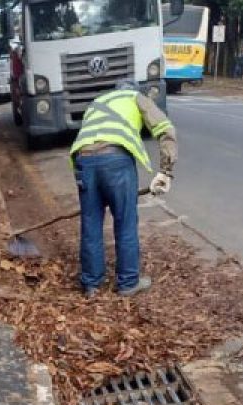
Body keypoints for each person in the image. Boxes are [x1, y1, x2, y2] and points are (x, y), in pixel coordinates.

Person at [69, 81, 177, 298]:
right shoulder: (136, 97)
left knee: (91, 224)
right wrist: (166, 171)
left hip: (84, 161)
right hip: (115, 162)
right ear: (133, 90)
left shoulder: (96, 102)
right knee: (125, 221)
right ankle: (128, 283)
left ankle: (91, 285)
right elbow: (165, 129)